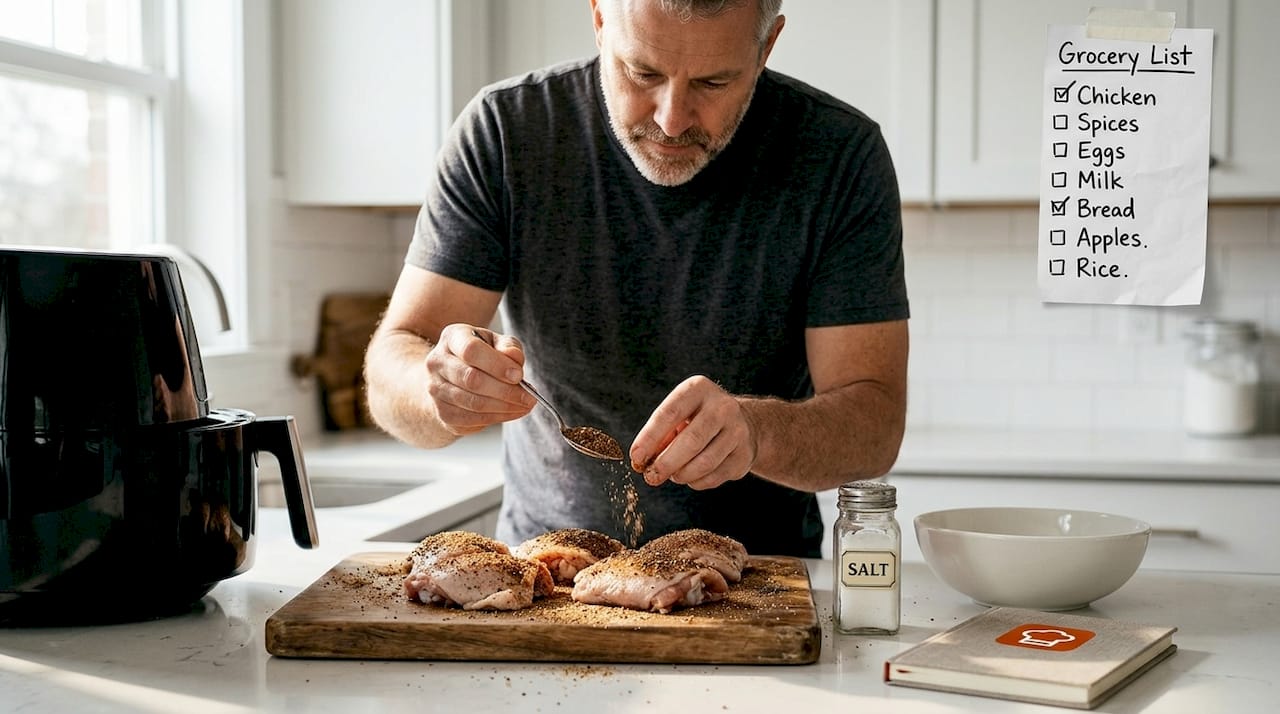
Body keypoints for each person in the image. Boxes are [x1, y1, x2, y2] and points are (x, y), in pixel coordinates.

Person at [364, 0, 909, 557]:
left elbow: (875, 425)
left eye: (714, 82)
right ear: (600, 19)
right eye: (642, 73)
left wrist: (755, 431)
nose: (672, 119)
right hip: (548, 575)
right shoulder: (506, 132)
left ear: (766, 47)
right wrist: (438, 389)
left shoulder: (839, 155)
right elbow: (396, 360)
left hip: (764, 575)